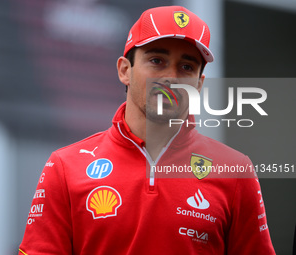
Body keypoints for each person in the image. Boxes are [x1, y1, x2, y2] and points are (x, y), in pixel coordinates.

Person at [19, 5, 275, 255]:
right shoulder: (65, 167)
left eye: (186, 67)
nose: (171, 77)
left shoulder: (236, 170)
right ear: (124, 70)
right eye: (157, 60)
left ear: (199, 83)